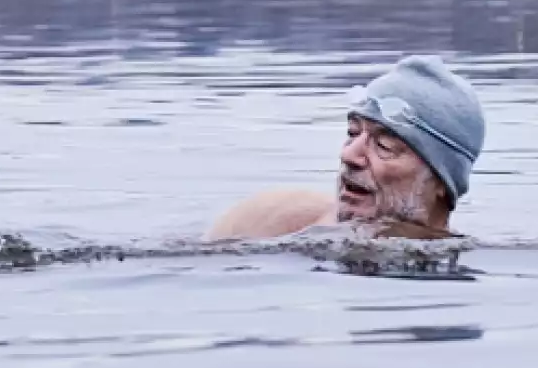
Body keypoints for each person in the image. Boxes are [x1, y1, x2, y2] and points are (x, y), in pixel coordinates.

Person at [206, 55, 485, 242]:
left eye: (384, 145)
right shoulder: (275, 221)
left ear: (441, 182)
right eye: (353, 133)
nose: (349, 155)